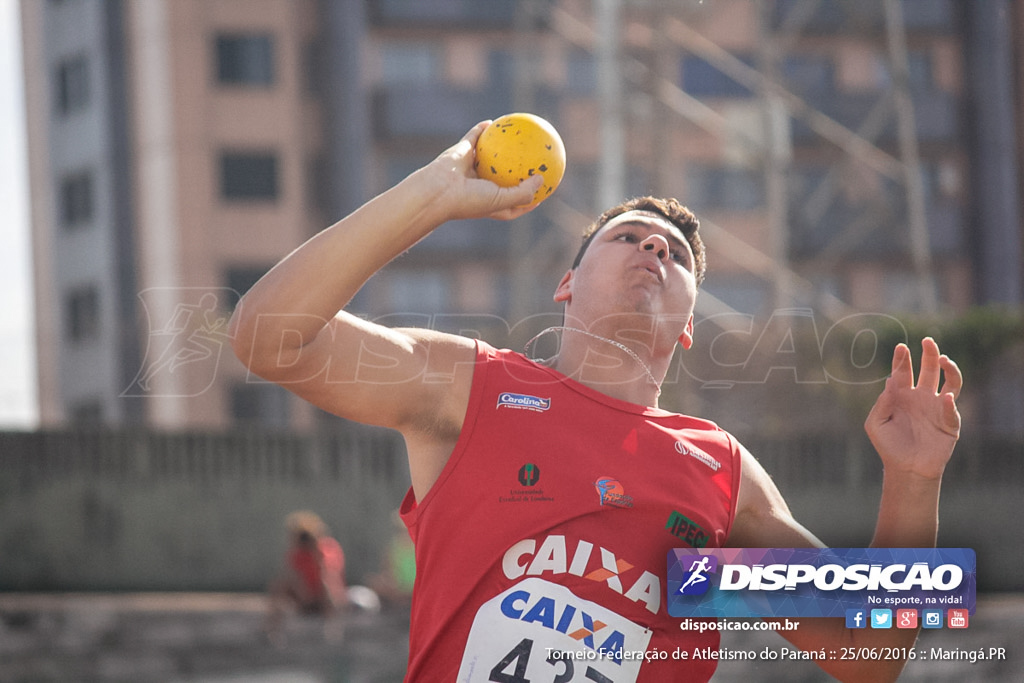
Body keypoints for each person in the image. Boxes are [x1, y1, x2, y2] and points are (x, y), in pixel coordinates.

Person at [231, 121, 962, 682]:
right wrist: (436, 194)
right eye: (629, 237)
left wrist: (913, 480)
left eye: (673, 254)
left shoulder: (717, 473)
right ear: (566, 285)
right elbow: (268, 339)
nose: (654, 251)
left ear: (686, 330)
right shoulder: (472, 388)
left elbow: (868, 654)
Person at [266, 510, 348, 643]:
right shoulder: (297, 553)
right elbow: (291, 574)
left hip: (326, 597)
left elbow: (331, 574)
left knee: (327, 582)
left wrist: (317, 555)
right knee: (279, 585)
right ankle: (271, 629)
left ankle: (333, 630)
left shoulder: (328, 548)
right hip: (304, 595)